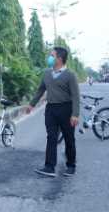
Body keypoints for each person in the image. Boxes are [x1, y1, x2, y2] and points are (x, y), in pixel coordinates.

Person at [28, 47, 80, 177]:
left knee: (69, 138)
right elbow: (40, 90)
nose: (49, 58)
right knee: (51, 137)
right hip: (51, 109)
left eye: (52, 55)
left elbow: (75, 96)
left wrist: (75, 114)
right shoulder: (46, 73)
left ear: (59, 59)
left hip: (66, 109)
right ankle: (49, 166)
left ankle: (71, 165)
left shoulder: (70, 75)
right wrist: (31, 104)